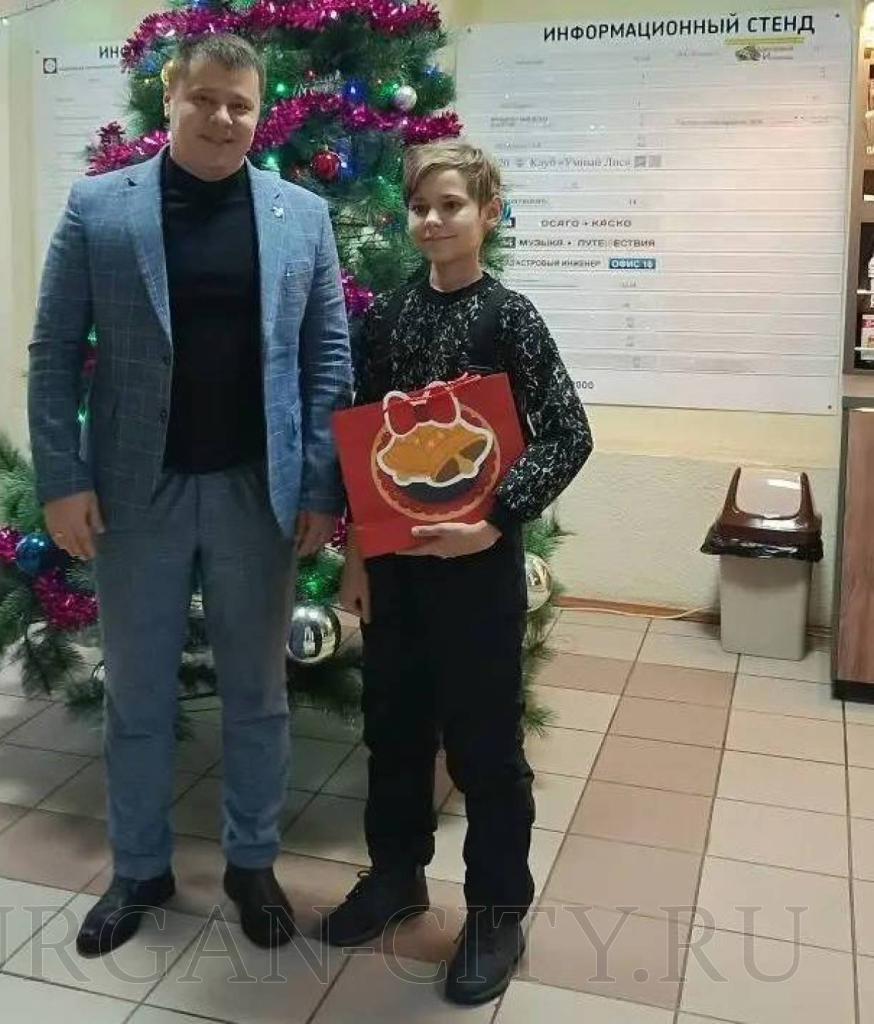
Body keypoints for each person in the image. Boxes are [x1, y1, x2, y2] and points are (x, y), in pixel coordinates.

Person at [27, 32, 352, 956]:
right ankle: (139, 868)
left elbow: (327, 356)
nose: (221, 118)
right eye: (204, 98)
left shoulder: (301, 216)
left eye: (239, 104)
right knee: (137, 694)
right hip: (137, 494)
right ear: (170, 97)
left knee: (257, 695)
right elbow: (54, 351)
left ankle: (252, 864)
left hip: (258, 492)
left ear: (260, 114)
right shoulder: (99, 206)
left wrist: (320, 483)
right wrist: (62, 479)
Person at [329, 141, 592, 1005]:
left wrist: (495, 520)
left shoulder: (508, 318)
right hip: (395, 569)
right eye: (419, 207)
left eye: (449, 205)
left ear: (487, 213)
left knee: (483, 746)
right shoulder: (385, 318)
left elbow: (567, 433)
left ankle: (494, 914)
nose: (432, 220)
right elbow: (361, 443)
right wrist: (357, 557)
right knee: (393, 727)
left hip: (477, 571)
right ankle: (394, 874)